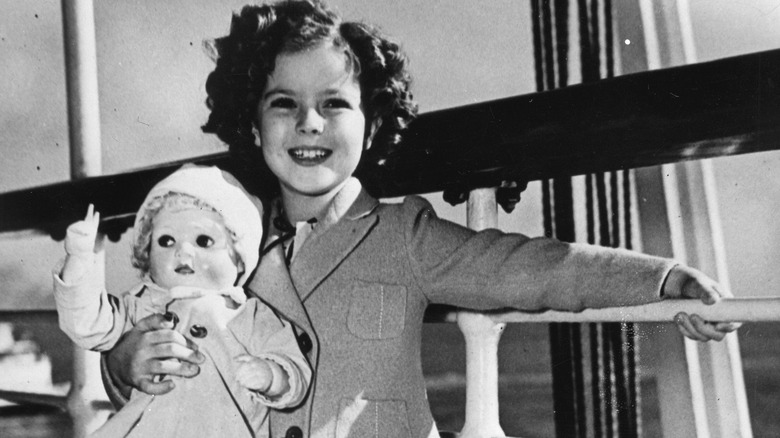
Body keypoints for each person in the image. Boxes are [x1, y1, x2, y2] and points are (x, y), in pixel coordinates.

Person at [102, 2, 739, 437]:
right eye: (283, 104)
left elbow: (529, 268)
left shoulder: (403, 235)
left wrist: (661, 278)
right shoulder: (220, 247)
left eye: (334, 104)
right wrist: (124, 362)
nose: (309, 124)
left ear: (373, 122)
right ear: (252, 124)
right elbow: (148, 324)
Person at [53, 164, 311, 437]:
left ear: (238, 257)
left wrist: (273, 377)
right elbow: (85, 324)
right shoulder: (141, 305)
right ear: (147, 254)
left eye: (203, 240)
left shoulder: (248, 315)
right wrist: (79, 262)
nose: (183, 252)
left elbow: (295, 368)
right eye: (166, 241)